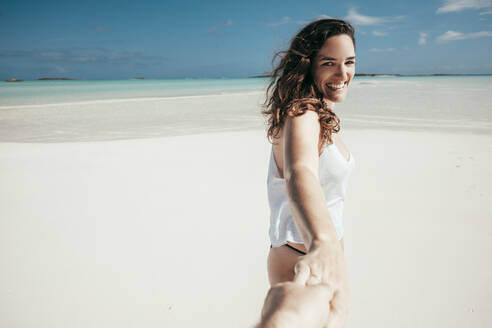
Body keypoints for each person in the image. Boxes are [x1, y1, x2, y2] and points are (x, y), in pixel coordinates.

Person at [257, 18, 357, 327]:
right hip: (305, 259)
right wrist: (324, 242)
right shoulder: (302, 114)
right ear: (308, 64)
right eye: (330, 63)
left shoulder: (319, 112)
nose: (343, 74)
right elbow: (300, 173)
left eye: (350, 62)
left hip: (321, 258)